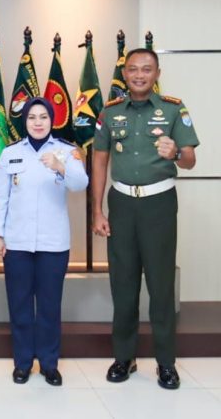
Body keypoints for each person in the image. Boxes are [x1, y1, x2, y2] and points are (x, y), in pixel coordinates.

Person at [92, 48, 199, 390]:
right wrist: (97, 210)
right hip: (122, 203)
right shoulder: (110, 112)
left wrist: (176, 152)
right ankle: (124, 357)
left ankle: (166, 363)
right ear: (125, 74)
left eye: (147, 69)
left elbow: (190, 160)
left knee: (161, 286)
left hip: (159, 205)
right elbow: (99, 160)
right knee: (123, 285)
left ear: (157, 74)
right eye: (133, 69)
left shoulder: (173, 109)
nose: (139, 75)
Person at [0, 97, 88, 386]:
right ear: (25, 121)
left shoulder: (66, 151)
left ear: (52, 120)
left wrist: (60, 167)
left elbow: (80, 184)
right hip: (17, 243)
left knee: (49, 307)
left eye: (43, 117)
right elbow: (0, 197)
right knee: (19, 305)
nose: (37, 122)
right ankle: (22, 363)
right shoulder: (10, 153)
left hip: (53, 243)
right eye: (32, 117)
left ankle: (49, 363)